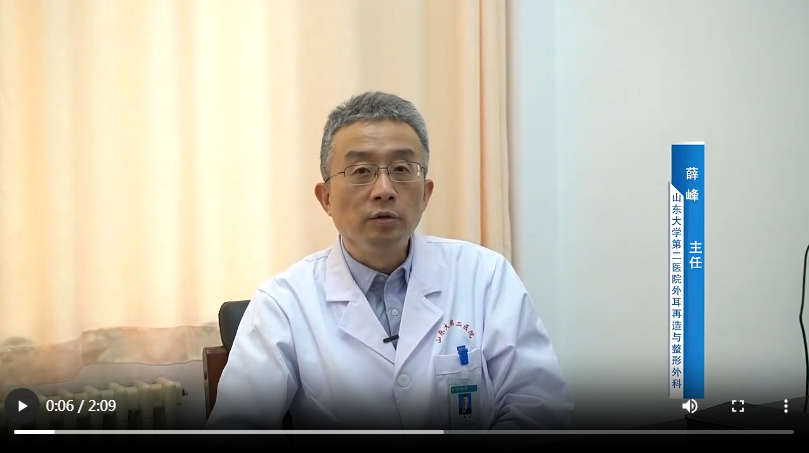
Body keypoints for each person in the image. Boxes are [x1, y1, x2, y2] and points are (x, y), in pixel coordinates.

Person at [205, 91, 573, 433]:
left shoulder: (486, 276)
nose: (384, 189)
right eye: (361, 171)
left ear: (425, 193)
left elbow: (541, 404)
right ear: (326, 197)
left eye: (402, 169)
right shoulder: (283, 303)